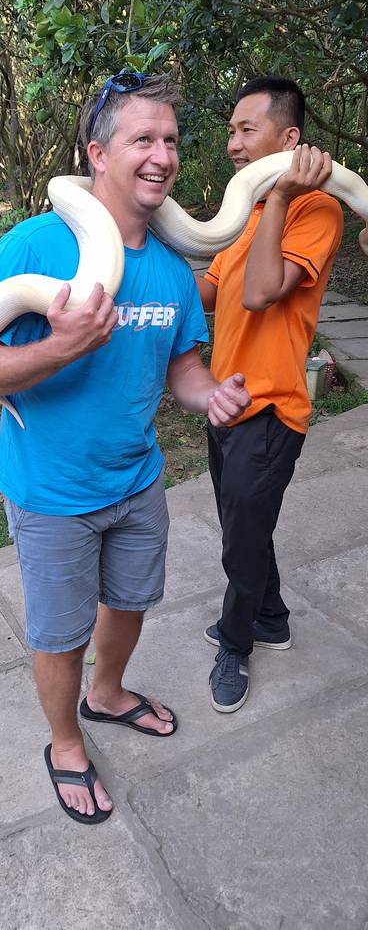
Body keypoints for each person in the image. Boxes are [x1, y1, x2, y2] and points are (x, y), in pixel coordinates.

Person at [0, 72, 251, 824]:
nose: (163, 155)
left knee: (128, 604)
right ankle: (65, 743)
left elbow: (183, 367)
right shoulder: (35, 245)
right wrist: (61, 346)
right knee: (61, 635)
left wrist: (211, 395)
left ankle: (109, 692)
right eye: (143, 139)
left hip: (137, 480)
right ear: (97, 153)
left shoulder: (171, 269)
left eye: (171, 140)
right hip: (53, 491)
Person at [197, 76, 344, 714]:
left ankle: (236, 643)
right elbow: (206, 294)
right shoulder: (246, 214)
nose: (232, 143)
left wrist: (283, 193)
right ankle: (273, 617)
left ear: (289, 140)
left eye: (245, 130)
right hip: (224, 402)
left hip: (272, 409)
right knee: (246, 528)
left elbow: (260, 293)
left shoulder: (316, 211)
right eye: (230, 131)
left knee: (240, 541)